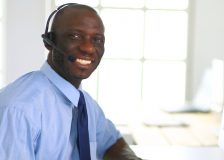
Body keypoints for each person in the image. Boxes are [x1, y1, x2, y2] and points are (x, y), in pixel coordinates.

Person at [0, 3, 141, 160]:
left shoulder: (85, 104)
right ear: (49, 41)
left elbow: (112, 143)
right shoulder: (19, 109)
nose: (88, 48)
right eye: (75, 36)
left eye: (97, 39)